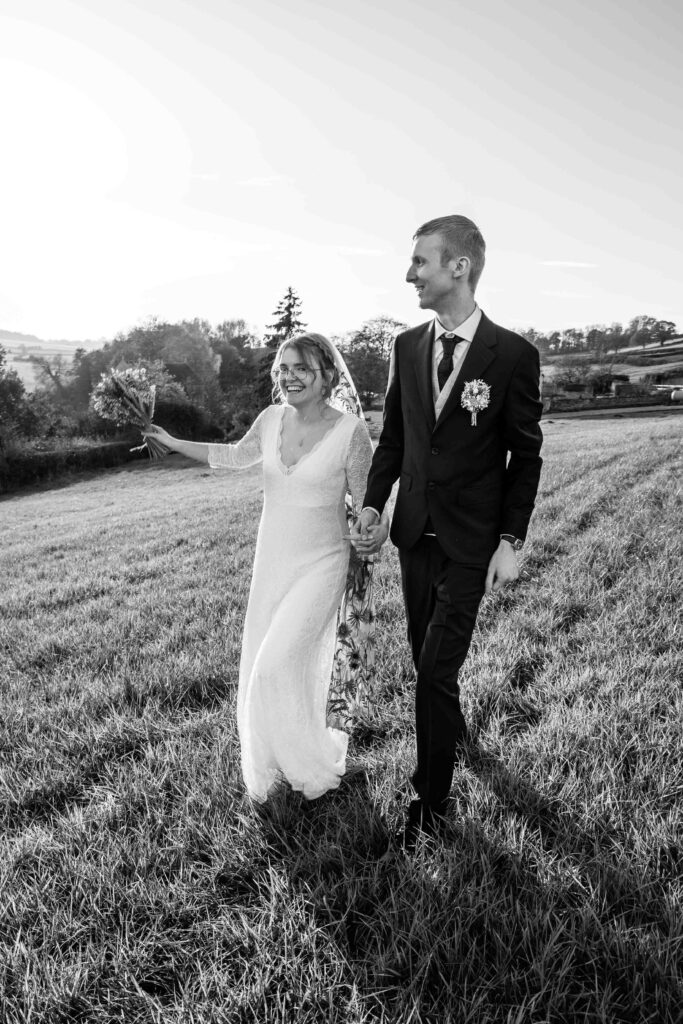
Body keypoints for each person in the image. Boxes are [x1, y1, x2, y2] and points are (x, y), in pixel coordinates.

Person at [351, 215, 543, 849]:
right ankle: (451, 733)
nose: (410, 274)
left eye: (420, 263)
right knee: (426, 662)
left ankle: (429, 801)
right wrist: (375, 507)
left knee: (433, 670)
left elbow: (526, 455)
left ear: (458, 267)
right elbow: (397, 439)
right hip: (414, 536)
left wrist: (511, 541)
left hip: (472, 542)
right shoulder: (406, 347)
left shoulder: (512, 355)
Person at [145, 334, 387, 803]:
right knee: (274, 662)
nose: (288, 377)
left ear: (328, 377)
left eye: (301, 368)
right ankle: (279, 757)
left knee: (273, 666)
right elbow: (235, 455)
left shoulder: (351, 432)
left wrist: (373, 526)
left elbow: (368, 503)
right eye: (282, 368)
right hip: (272, 562)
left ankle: (309, 766)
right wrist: (172, 441)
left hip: (323, 565)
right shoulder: (271, 418)